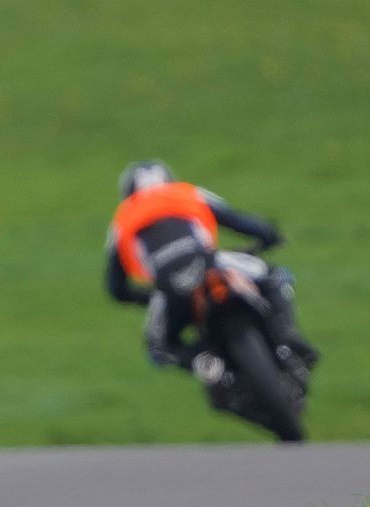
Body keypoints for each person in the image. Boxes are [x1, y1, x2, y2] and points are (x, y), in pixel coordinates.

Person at [104, 159, 316, 391]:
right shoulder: (187, 192)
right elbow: (237, 220)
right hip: (210, 264)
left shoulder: (121, 219)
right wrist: (269, 235)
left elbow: (116, 287)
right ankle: (288, 340)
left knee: (158, 347)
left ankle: (211, 368)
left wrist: (149, 296)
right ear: (168, 179)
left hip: (168, 287)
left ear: (128, 193)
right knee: (275, 276)